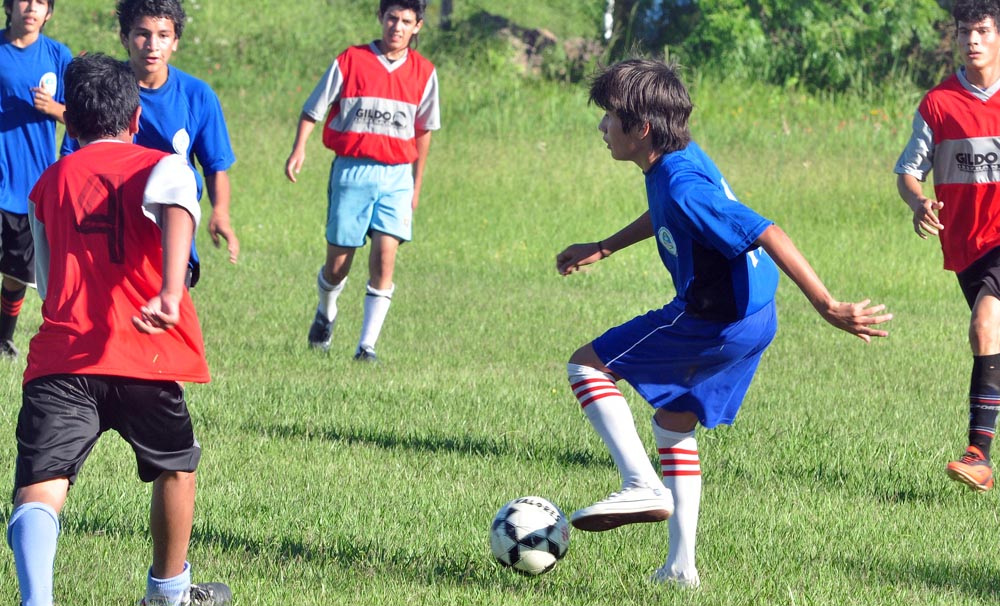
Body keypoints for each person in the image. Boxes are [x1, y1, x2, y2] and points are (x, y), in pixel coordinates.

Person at [556, 58, 891, 588]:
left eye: (609, 117)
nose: (601, 127)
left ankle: (641, 482)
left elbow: (767, 231)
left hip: (715, 319)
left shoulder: (684, 183)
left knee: (587, 368)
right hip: (756, 319)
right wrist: (604, 247)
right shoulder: (676, 160)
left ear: (641, 128)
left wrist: (828, 305)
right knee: (673, 421)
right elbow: (668, 214)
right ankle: (680, 569)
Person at [7, 52, 231, 606]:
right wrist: (171, 293)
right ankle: (169, 590)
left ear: (72, 125)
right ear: (135, 119)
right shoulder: (161, 165)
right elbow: (179, 200)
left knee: (40, 486)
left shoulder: (48, 183)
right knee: (176, 467)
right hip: (144, 354)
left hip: (63, 358)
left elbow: (46, 277)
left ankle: (37, 600)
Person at [285, 0, 440, 361]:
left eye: (405, 21)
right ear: (380, 18)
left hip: (397, 175)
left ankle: (366, 346)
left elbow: (423, 132)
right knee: (339, 263)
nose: (396, 27)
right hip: (352, 170)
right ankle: (326, 312)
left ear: (417, 26)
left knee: (385, 256)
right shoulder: (350, 61)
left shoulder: (424, 72)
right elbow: (313, 110)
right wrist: (299, 149)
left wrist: (416, 184)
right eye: (391, 18)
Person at [895, 0, 1000, 493]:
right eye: (964, 32)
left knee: (984, 326)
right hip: (968, 248)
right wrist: (919, 203)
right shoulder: (938, 104)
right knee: (992, 339)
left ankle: (978, 454)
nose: (972, 41)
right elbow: (908, 173)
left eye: (981, 31)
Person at [117, 0, 239, 285]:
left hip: (170, 235)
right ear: (125, 37)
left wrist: (220, 211)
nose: (152, 45)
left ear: (175, 42)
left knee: (163, 323)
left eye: (163, 35)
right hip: (115, 230)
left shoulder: (197, 95)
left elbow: (215, 167)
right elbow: (80, 157)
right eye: (142, 33)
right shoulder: (108, 89)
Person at [0, 0, 71, 357]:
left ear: (49, 13)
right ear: (8, 7)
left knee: (16, 271)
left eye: (41, 2)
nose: (31, 7)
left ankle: (3, 338)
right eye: (24, 0)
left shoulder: (58, 56)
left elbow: (83, 112)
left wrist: (55, 109)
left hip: (31, 185)